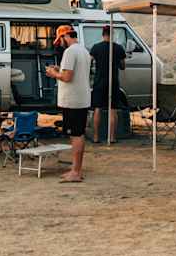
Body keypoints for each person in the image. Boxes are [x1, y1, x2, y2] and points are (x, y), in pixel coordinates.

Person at [45, 24, 91, 182]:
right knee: (78, 134)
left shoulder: (70, 51)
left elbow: (66, 77)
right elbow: (72, 72)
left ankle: (76, 172)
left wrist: (53, 73)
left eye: (61, 39)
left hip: (73, 100)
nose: (60, 43)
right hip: (81, 98)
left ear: (65, 37)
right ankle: (75, 169)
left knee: (76, 135)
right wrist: (60, 68)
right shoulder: (83, 50)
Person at [89, 25, 129, 143]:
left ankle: (96, 137)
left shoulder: (96, 47)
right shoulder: (118, 48)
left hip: (99, 81)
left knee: (97, 108)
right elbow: (122, 66)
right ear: (112, 34)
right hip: (113, 81)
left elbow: (89, 62)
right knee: (113, 110)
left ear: (103, 34)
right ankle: (112, 137)